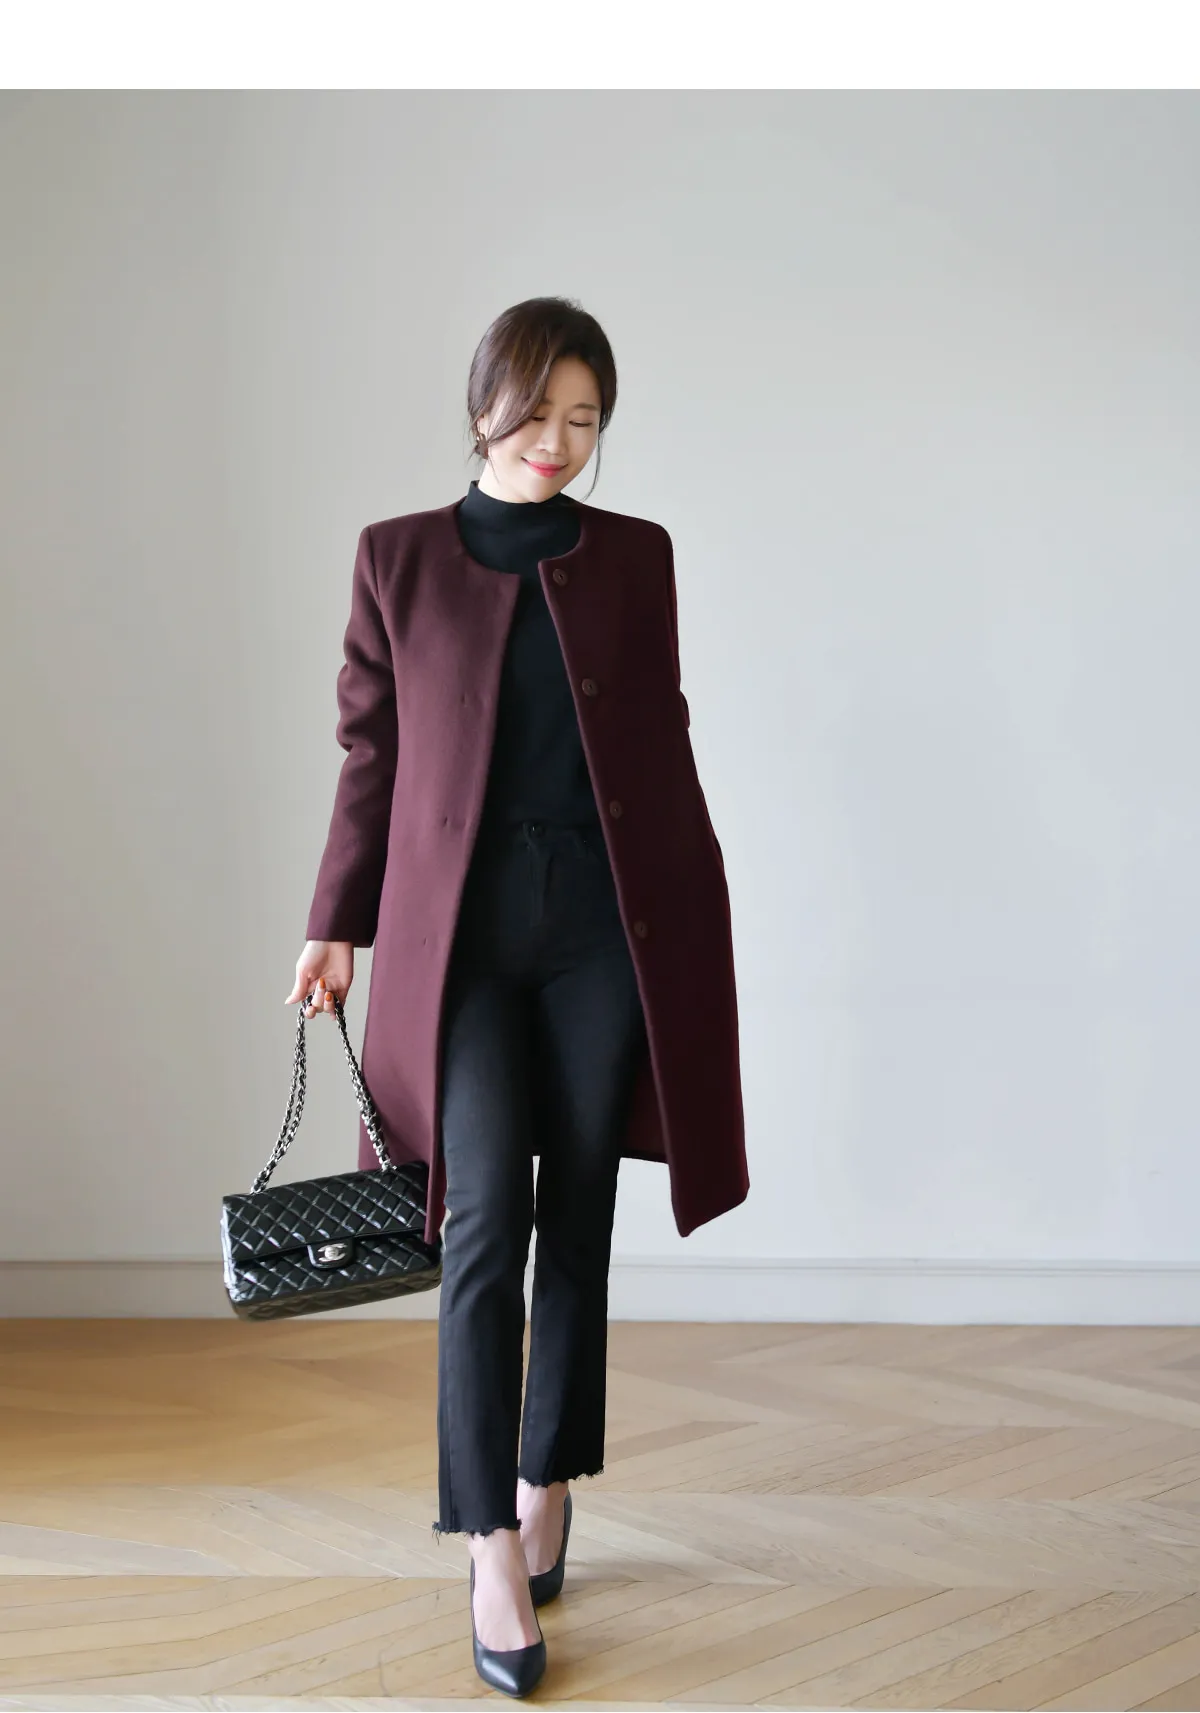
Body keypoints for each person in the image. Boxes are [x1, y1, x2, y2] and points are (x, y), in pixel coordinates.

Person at [284, 297, 747, 1698]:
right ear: (484, 401)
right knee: (481, 1216)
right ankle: (487, 1536)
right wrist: (335, 921)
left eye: (585, 420)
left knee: (582, 1212)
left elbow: (660, 740)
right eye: (537, 411)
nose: (558, 441)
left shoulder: (636, 557)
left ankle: (549, 1481)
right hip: (465, 944)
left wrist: (697, 916)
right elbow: (371, 753)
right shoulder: (399, 559)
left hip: (604, 927)